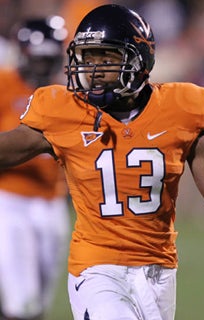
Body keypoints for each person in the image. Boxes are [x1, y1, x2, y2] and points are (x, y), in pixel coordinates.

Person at [0, 4, 204, 320]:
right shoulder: (63, 111)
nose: (93, 70)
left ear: (140, 60)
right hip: (96, 267)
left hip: (159, 269)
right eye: (88, 58)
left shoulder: (184, 108)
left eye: (106, 57)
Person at [0, 16, 70, 320]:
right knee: (23, 301)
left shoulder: (64, 95)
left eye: (49, 59)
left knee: (39, 301)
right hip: (9, 200)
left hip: (53, 202)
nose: (43, 66)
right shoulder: (4, 84)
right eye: (38, 58)